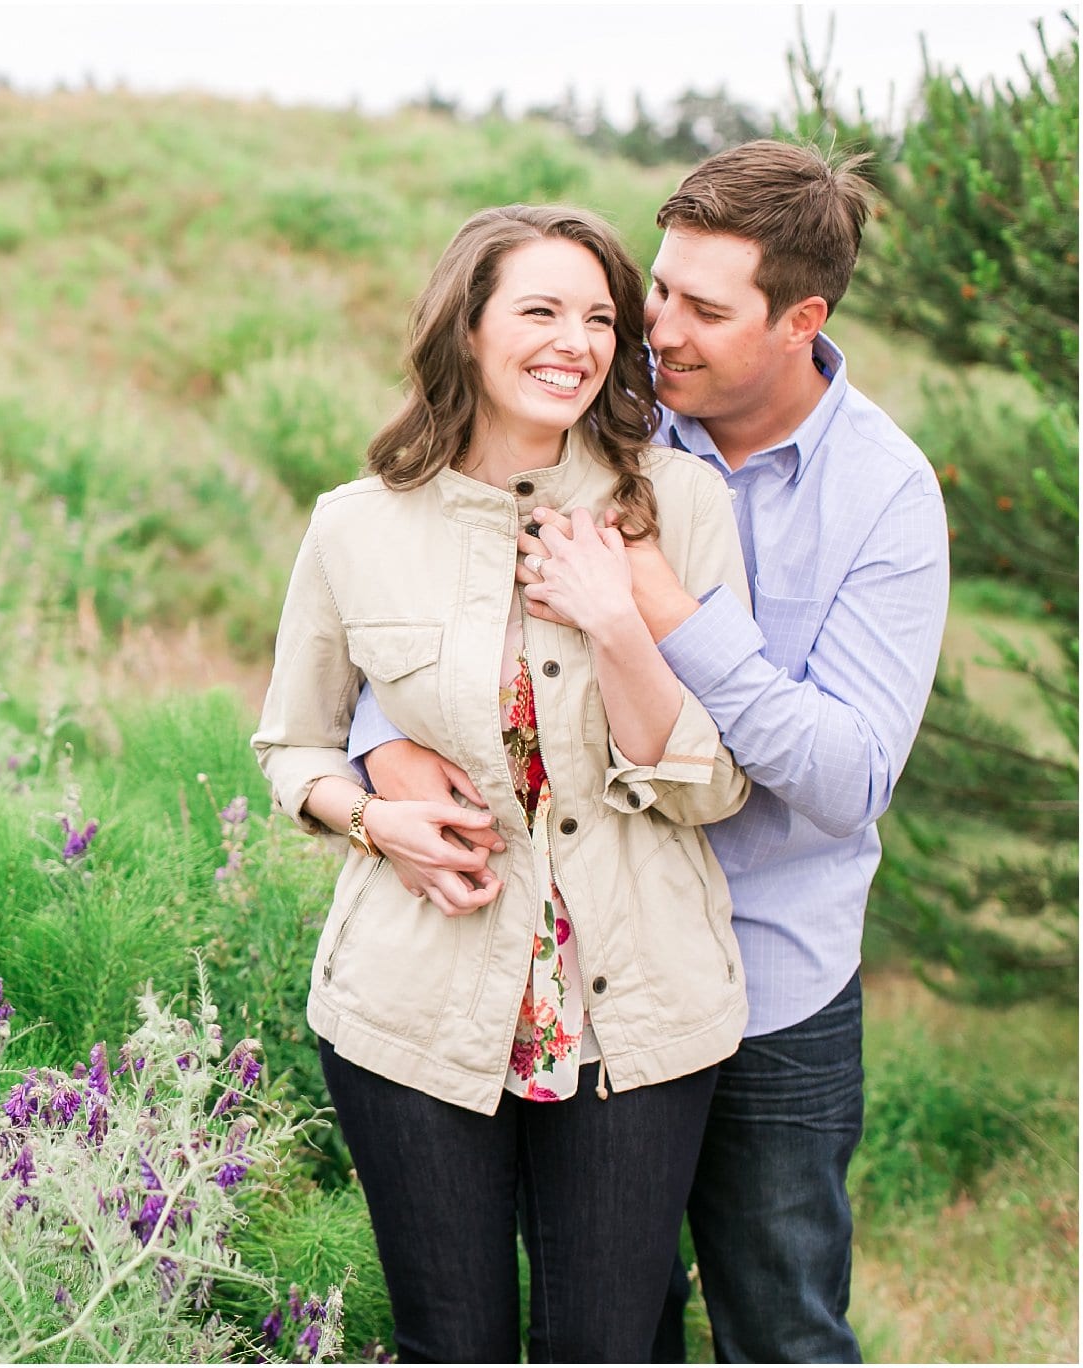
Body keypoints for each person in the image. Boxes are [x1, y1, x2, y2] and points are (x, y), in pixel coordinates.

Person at [348, 142, 951, 1363]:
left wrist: (669, 617)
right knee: (610, 1329)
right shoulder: (605, 402)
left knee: (779, 1324)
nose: (652, 329)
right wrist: (378, 753)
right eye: (656, 290)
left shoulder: (882, 496)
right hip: (573, 961)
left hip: (770, 979)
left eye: (700, 309)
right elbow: (420, 593)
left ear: (800, 322)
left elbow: (845, 781)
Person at [251, 202, 756, 1362]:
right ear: (465, 329)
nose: (573, 341)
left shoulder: (674, 506)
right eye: (538, 310)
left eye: (597, 317)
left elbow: (712, 785)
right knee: (451, 1339)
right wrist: (375, 818)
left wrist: (617, 623)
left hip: (634, 1008)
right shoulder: (354, 527)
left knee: (611, 1341)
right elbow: (292, 746)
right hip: (413, 1004)